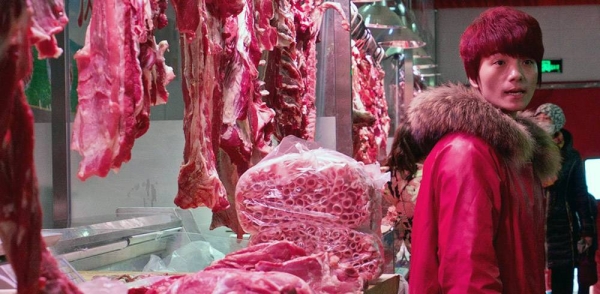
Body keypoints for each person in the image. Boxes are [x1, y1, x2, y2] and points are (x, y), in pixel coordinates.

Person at [385, 6, 562, 293]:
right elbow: (468, 276)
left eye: (528, 61)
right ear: (473, 75)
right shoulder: (467, 152)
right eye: (500, 62)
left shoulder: (517, 153)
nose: (517, 74)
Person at [534, 103, 597, 294]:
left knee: (563, 280)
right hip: (532, 223)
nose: (541, 122)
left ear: (558, 123)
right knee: (530, 275)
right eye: (539, 117)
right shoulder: (529, 150)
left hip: (564, 227)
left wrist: (587, 230)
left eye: (547, 118)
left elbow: (580, 193)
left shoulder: (571, 157)